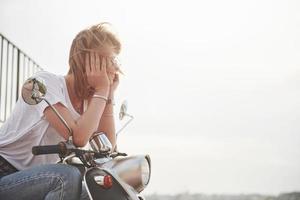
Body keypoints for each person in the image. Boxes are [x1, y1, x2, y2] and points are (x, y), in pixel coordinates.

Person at [0, 22, 122, 200]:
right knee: (66, 176)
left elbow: (107, 149)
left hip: (36, 178)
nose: (116, 68)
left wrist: (108, 96)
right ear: (90, 63)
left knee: (98, 189)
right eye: (112, 61)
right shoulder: (45, 83)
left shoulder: (92, 104)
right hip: (5, 173)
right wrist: (102, 90)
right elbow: (79, 138)